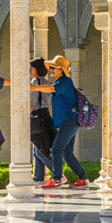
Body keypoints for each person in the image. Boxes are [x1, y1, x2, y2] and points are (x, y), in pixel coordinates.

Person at [37, 55, 87, 189]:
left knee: (57, 149)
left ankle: (57, 178)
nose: (51, 70)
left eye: (54, 68)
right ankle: (82, 178)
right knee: (67, 152)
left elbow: (50, 89)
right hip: (70, 121)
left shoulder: (64, 81)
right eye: (51, 68)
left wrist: (33, 87)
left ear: (61, 70)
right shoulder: (62, 82)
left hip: (69, 121)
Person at [29, 57, 58, 183]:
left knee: (40, 151)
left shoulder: (35, 82)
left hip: (37, 117)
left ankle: (58, 173)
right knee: (37, 151)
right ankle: (38, 179)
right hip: (46, 116)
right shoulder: (46, 82)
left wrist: (23, 118)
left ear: (35, 69)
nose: (29, 70)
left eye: (31, 68)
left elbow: (32, 102)